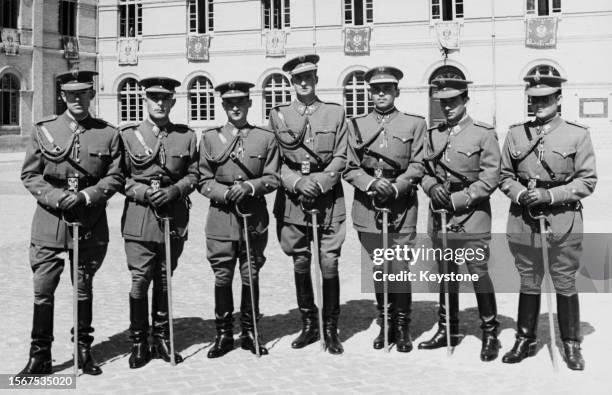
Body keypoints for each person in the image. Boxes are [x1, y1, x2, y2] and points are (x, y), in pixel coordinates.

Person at [20, 70, 123, 375]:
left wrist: (89, 196)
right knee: (43, 288)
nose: (78, 99)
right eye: (71, 94)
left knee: (84, 286)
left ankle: (84, 352)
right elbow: (30, 174)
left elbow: (115, 176)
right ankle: (40, 357)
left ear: (92, 95)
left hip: (89, 219)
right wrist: (54, 197)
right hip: (50, 220)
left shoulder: (107, 133)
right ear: (62, 96)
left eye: (83, 93)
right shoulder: (45, 130)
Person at [499, 71, 597, 370]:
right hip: (524, 220)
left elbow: (588, 181)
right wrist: (519, 195)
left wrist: (550, 196)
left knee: (565, 280)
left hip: (562, 220)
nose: (539, 104)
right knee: (528, 279)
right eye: (534, 99)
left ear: (558, 99)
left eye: (545, 98)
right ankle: (525, 339)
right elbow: (505, 176)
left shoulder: (577, 134)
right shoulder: (516, 133)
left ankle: (570, 343)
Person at [268, 54, 348, 355]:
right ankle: (309, 325)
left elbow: (342, 155)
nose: (304, 82)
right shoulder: (278, 116)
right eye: (298, 79)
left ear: (316, 79)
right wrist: (299, 183)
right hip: (293, 201)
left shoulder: (335, 113)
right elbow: (275, 161)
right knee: (300, 260)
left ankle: (330, 329)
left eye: (309, 77)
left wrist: (322, 182)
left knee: (329, 261)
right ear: (292, 82)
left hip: (328, 199)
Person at [418, 77, 502, 361]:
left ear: (465, 100)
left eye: (453, 101)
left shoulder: (483, 133)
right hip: (439, 214)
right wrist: (431, 188)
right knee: (446, 273)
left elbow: (491, 177)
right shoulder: (433, 134)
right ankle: (447, 329)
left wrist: (458, 199)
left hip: (472, 214)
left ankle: (490, 332)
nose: (448, 107)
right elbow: (424, 170)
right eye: (443, 102)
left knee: (478, 272)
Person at [343, 66, 425, 352]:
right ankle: (386, 324)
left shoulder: (414, 124)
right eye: (376, 90)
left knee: (399, 266)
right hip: (369, 205)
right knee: (380, 266)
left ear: (396, 92)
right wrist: (369, 184)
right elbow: (349, 167)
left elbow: (419, 164)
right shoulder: (355, 126)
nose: (381, 94)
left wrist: (398, 185)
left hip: (401, 205)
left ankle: (402, 327)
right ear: (370, 93)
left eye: (387, 89)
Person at [119, 77, 199, 368]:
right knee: (140, 280)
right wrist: (142, 192)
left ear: (173, 102)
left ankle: (162, 338)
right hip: (140, 218)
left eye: (165, 99)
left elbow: (194, 174)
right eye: (154, 98)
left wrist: (176, 190)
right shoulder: (128, 136)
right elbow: (120, 178)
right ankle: (139, 341)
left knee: (165, 278)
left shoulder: (186, 136)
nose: (160, 104)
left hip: (173, 218)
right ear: (146, 101)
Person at [198, 81, 280, 358]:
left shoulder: (265, 138)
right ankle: (223, 335)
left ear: (249, 104)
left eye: (241, 102)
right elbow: (203, 178)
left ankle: (250, 332)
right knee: (222, 274)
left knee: (251, 272)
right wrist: (224, 193)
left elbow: (272, 177)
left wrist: (250, 187)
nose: (235, 107)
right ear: (223, 106)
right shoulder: (210, 138)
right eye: (229, 103)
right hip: (221, 217)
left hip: (253, 216)